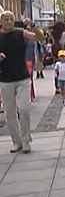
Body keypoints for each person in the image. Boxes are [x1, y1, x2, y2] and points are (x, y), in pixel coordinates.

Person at [0, 11, 44, 153]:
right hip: (5, 78)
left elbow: (38, 37)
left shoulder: (21, 33)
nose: (9, 22)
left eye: (11, 19)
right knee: (9, 113)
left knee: (24, 109)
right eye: (6, 19)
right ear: (1, 21)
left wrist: (34, 26)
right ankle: (16, 141)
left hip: (22, 77)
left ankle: (26, 140)